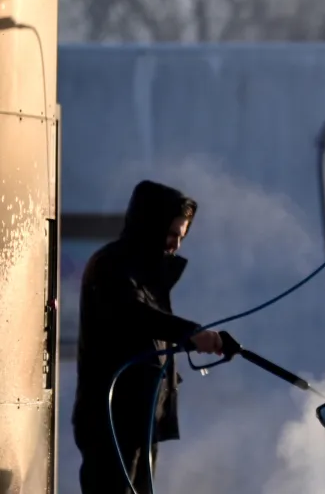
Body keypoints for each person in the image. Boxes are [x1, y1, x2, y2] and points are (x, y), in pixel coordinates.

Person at [72, 180, 225, 494]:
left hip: (141, 424)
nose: (175, 245)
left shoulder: (145, 276)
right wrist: (193, 335)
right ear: (149, 224)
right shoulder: (111, 268)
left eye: (181, 237)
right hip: (110, 425)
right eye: (171, 235)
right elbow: (136, 316)